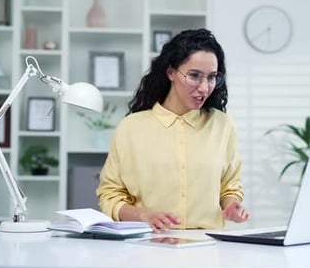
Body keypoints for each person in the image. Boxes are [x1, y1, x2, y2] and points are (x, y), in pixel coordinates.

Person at [96, 28, 250, 233]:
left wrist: (231, 206)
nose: (205, 88)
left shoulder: (223, 125)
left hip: (208, 245)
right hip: (148, 243)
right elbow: (110, 194)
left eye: (212, 77)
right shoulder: (131, 128)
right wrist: (144, 216)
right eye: (194, 75)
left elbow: (229, 186)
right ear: (171, 73)